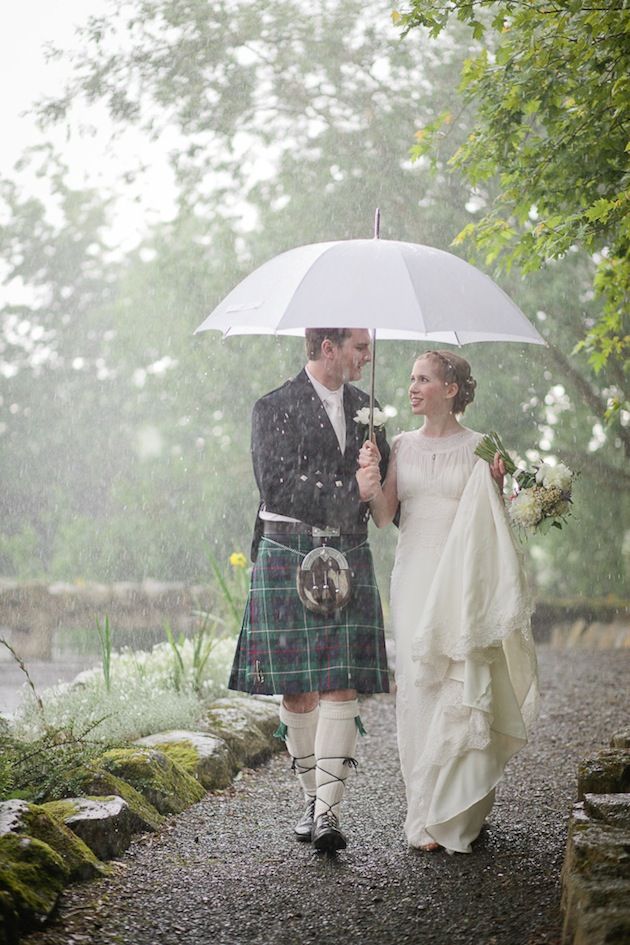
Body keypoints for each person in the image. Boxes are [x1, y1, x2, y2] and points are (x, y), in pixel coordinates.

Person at [356, 350, 539, 853]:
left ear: (451, 389)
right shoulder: (399, 445)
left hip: (462, 579)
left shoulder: (482, 446)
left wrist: (501, 485)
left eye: (424, 379)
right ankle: (422, 809)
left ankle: (457, 808)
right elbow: (384, 515)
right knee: (419, 683)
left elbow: (493, 520)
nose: (412, 387)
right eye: (411, 378)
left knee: (462, 678)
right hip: (414, 575)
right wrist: (369, 482)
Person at [229, 328, 391, 853]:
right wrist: (352, 491)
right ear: (329, 349)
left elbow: (379, 491)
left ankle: (328, 813)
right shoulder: (273, 406)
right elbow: (276, 485)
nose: (367, 357)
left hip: (348, 552)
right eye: (359, 348)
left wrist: (375, 473)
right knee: (297, 687)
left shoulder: (370, 410)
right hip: (288, 550)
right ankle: (310, 800)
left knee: (342, 680)